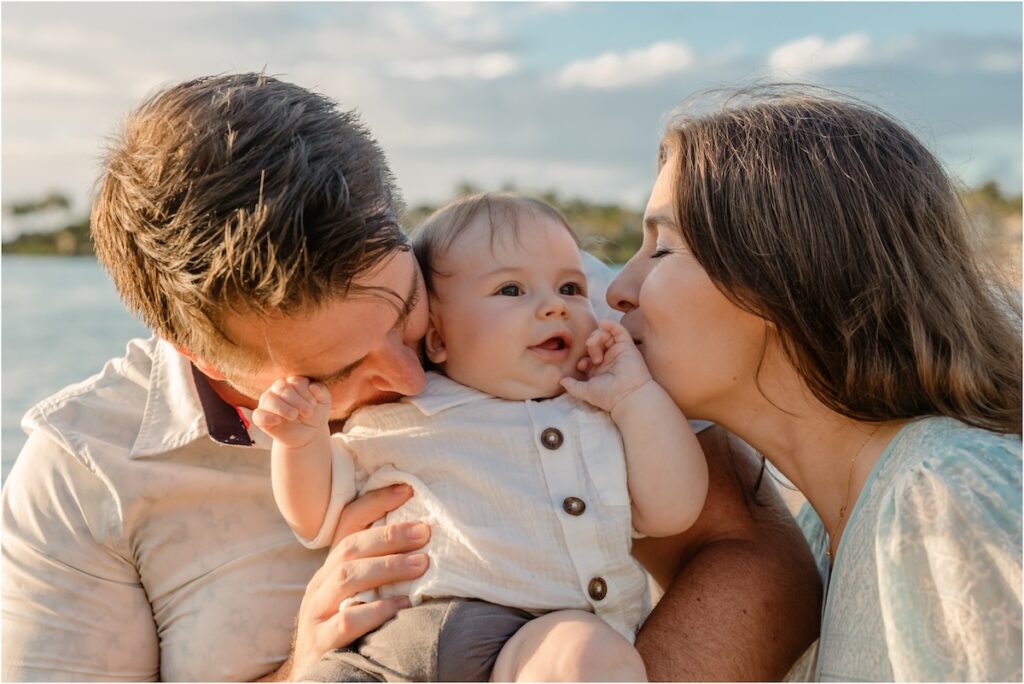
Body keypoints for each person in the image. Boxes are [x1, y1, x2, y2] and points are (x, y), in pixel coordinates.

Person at [1, 73, 820, 682]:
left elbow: (757, 557)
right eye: (338, 369)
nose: (405, 372)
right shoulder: (84, 474)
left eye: (404, 311)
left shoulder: (559, 315)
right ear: (210, 362)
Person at [605, 84, 1022, 681]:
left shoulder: (946, 493)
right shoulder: (828, 533)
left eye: (663, 249)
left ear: (778, 277)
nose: (620, 288)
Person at [254, 193, 709, 681]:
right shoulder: (398, 415)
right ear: (438, 337)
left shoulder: (600, 418)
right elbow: (314, 515)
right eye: (511, 290)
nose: (554, 306)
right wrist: (300, 443)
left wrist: (636, 396)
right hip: (383, 647)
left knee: (588, 658)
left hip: (533, 645)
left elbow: (673, 509)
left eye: (572, 288)